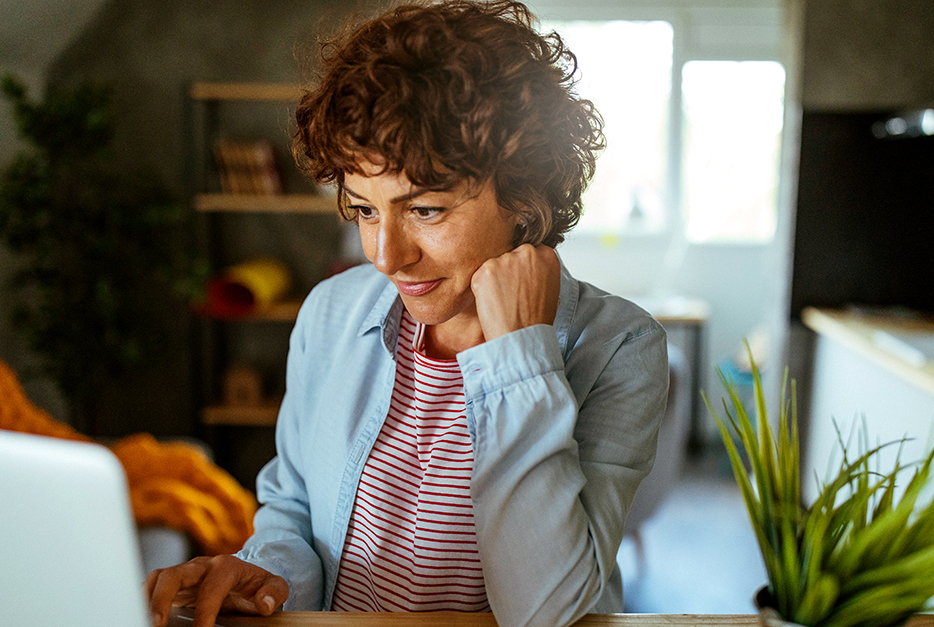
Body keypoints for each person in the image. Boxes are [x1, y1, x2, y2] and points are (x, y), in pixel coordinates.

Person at [146, 1, 669, 626]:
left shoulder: (619, 348)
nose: (386, 257)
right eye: (366, 209)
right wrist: (269, 579)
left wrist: (518, 356)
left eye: (425, 210)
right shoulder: (330, 315)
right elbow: (292, 508)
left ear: (525, 197)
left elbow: (547, 610)